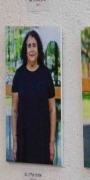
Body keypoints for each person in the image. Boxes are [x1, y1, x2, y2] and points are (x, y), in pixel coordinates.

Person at [11, 30, 57, 165]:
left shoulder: (46, 74)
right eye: (29, 46)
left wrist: (51, 142)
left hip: (42, 140)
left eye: (34, 45)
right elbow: (14, 110)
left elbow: (52, 110)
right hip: (23, 140)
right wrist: (15, 142)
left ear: (39, 49)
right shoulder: (19, 75)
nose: (31, 49)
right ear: (25, 50)